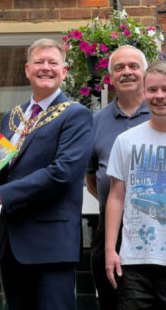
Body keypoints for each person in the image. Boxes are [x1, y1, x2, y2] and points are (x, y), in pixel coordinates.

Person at [0, 39, 94, 310]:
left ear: (64, 71)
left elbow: (63, 173)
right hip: (12, 243)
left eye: (52, 63)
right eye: (39, 62)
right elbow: (3, 172)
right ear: (27, 70)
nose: (46, 68)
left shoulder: (76, 115)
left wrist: (1, 193)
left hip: (52, 245)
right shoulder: (12, 116)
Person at [85, 45, 149, 309]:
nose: (127, 72)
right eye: (119, 67)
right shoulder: (96, 122)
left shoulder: (161, 114)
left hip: (156, 232)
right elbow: (91, 177)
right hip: (111, 234)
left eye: (133, 66)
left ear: (145, 72)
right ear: (110, 76)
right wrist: (117, 202)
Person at [105, 61, 166, 309]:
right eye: (152, 90)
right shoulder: (126, 140)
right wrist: (111, 250)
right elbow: (116, 197)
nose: (159, 96)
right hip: (134, 264)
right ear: (143, 92)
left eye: (164, 89)